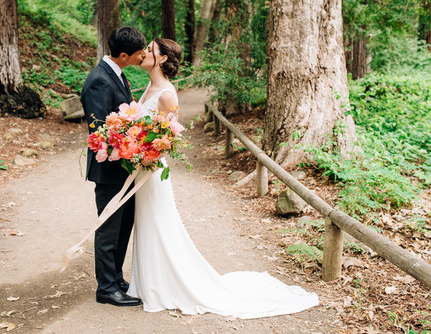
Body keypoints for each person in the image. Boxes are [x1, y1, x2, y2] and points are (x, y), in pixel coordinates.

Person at [126, 38, 320, 318]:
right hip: (141, 168)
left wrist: (147, 152)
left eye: (151, 51)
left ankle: (162, 286)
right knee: (146, 223)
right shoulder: (149, 87)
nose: (144, 53)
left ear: (162, 60)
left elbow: (170, 138)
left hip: (153, 170)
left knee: (158, 224)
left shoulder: (167, 94)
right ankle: (147, 282)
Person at [80, 26, 146, 307]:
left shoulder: (117, 74)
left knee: (124, 225)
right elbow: (100, 130)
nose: (142, 57)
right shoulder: (99, 80)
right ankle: (106, 287)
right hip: (109, 169)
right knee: (108, 227)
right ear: (123, 54)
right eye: (139, 53)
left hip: (125, 167)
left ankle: (116, 277)